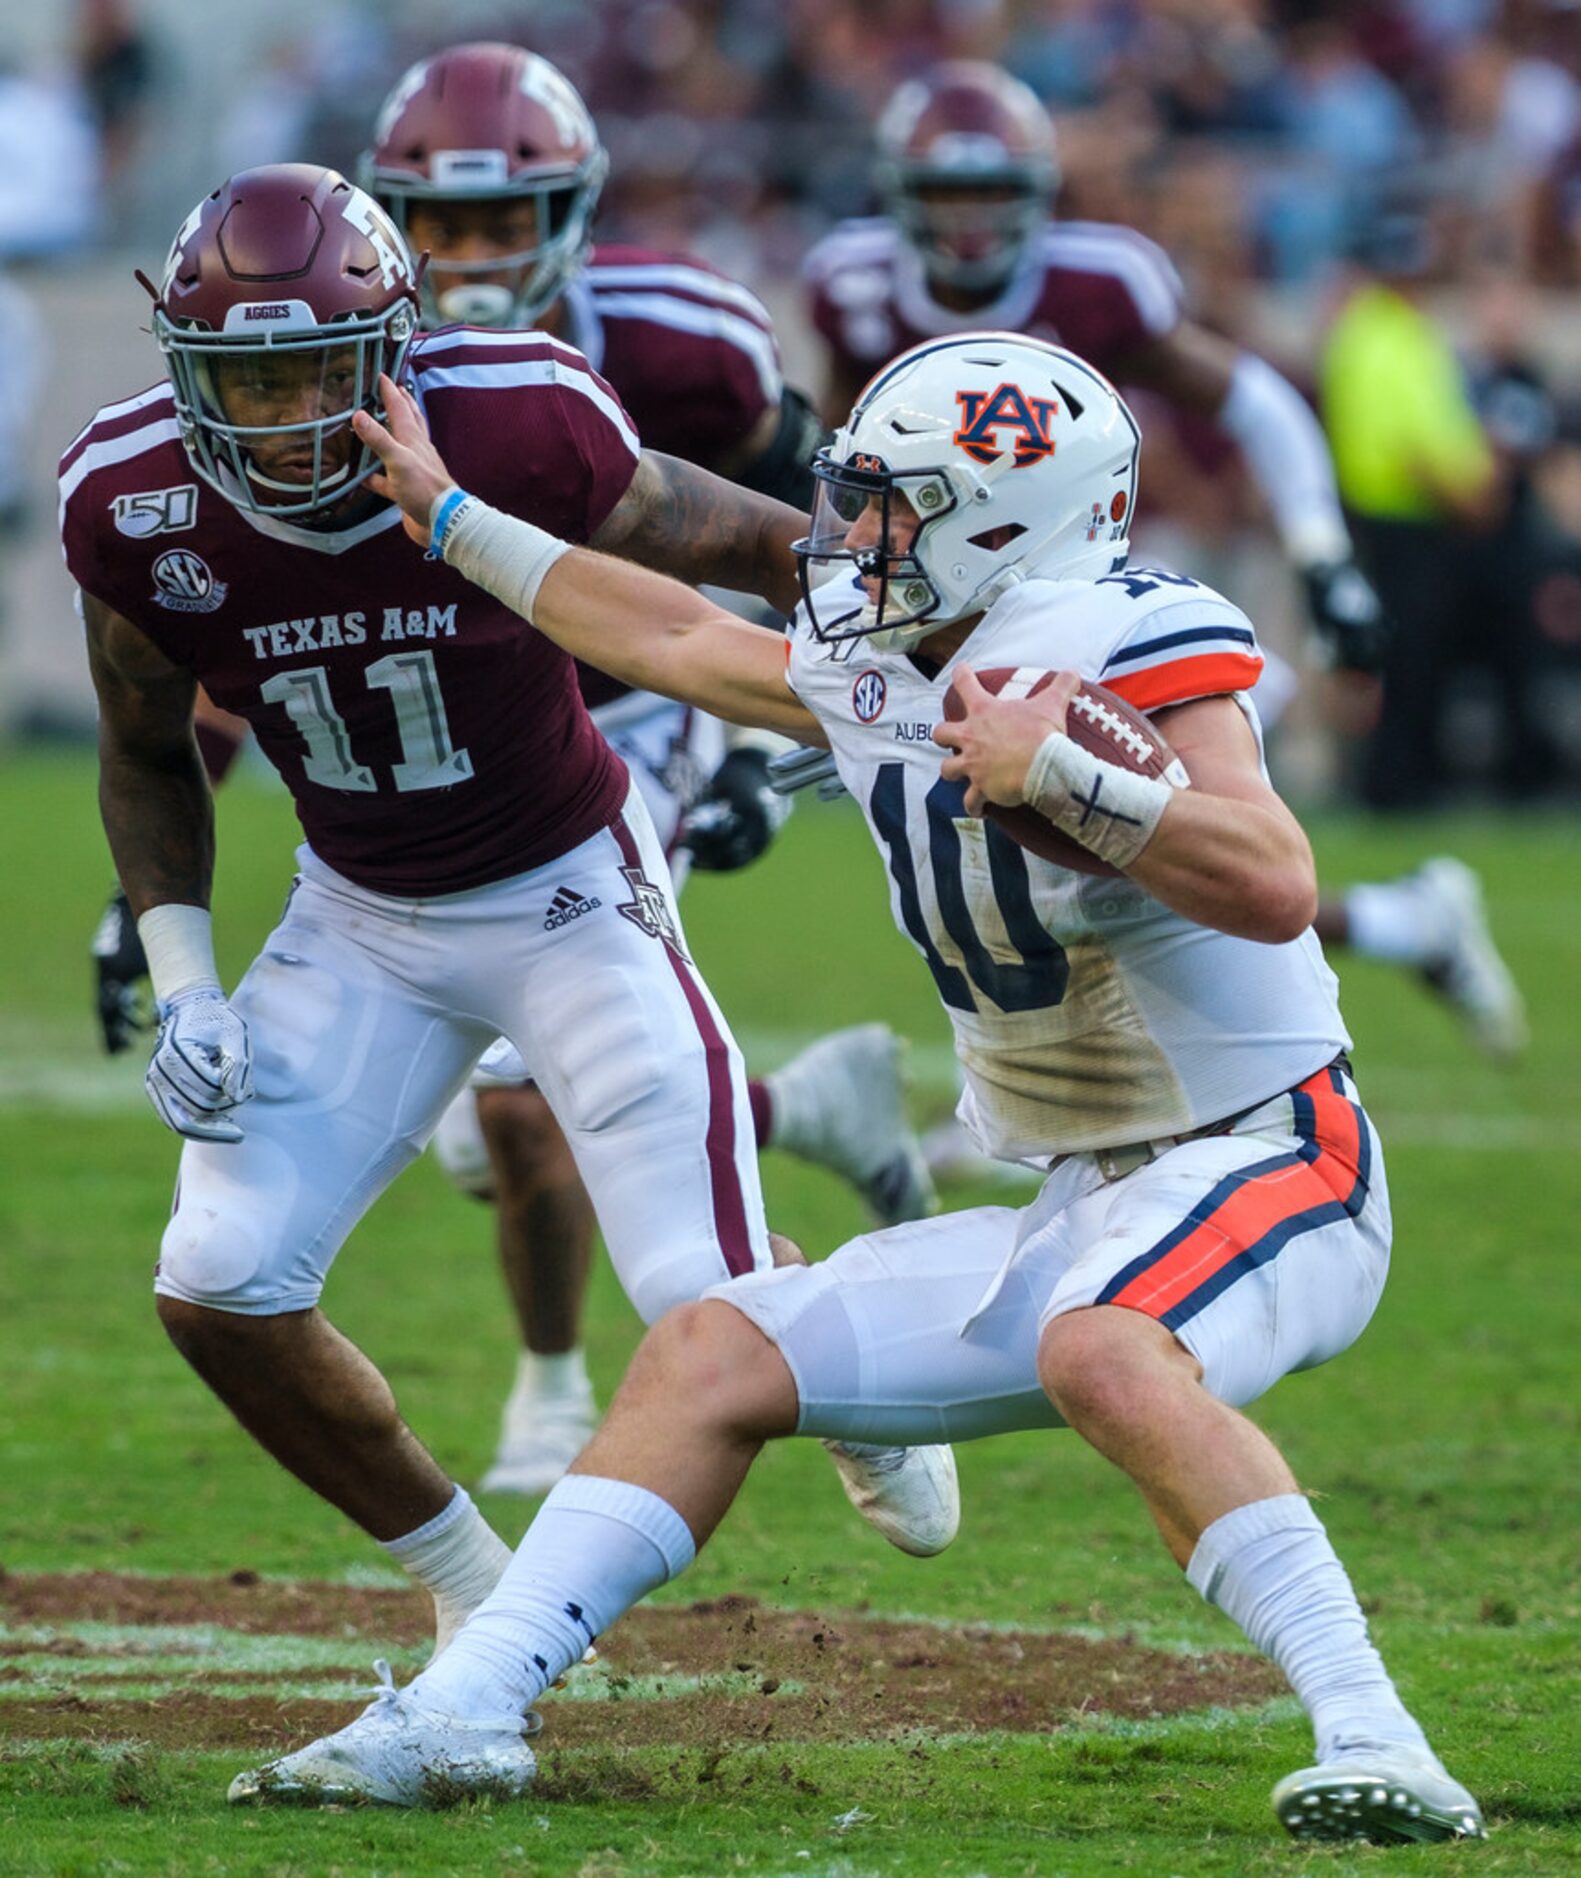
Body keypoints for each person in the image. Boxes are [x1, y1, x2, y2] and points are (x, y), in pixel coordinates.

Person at [232, 334, 1484, 1846]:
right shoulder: (881, 643)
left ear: (1003, 523)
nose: (844, 537)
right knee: (708, 1350)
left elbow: (1277, 881)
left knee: (1106, 1345)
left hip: (1278, 1153)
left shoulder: (1124, 632)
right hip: (1082, 1199)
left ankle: (1380, 1734)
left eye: (889, 507)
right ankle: (466, 1709)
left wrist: (1079, 777)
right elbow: (680, 641)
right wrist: (447, 519)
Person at [61, 163, 959, 1661]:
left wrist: (890, 683)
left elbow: (740, 541)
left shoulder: (517, 412)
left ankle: (830, 1337)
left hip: (566, 885)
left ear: (390, 355)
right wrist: (184, 978)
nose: (280, 417)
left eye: (310, 374)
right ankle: (472, 1581)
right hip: (354, 911)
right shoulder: (128, 494)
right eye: (245, 378)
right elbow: (148, 747)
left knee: (701, 1301)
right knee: (217, 1284)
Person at [802, 58, 1524, 1060]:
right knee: (1045, 854)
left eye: (990, 195)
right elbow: (849, 442)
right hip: (936, 589)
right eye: (944, 195)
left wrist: (1322, 556)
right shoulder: (853, 283)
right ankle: (1402, 924)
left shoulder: (1100, 283)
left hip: (1079, 598)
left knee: (1113, 841)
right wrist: (847, 606)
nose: (968, 224)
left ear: (1039, 199)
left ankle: (1074, 1069)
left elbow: (1256, 400)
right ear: (898, 198)